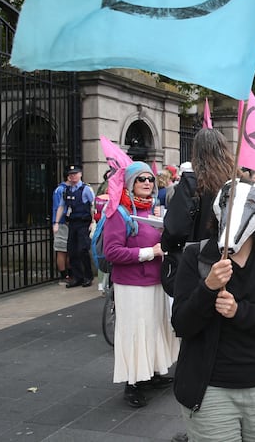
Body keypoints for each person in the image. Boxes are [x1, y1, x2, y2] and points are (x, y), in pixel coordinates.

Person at [172, 179, 255, 441]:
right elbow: (181, 324)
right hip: (210, 390)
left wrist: (240, 312)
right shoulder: (196, 257)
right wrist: (208, 288)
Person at [104, 161, 179, 408]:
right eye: (141, 179)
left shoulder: (153, 210)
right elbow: (112, 252)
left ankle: (152, 373)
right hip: (131, 285)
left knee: (154, 328)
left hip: (156, 281)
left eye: (150, 179)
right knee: (135, 332)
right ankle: (132, 383)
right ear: (130, 183)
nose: (147, 183)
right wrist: (149, 252)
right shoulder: (118, 213)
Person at [162, 129, 235, 282]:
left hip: (198, 264)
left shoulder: (192, 182)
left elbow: (175, 228)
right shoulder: (237, 181)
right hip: (231, 262)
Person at [53, 164, 96, 288]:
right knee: (72, 251)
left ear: (80, 174)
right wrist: (56, 223)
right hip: (72, 223)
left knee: (82, 250)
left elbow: (93, 205)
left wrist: (93, 221)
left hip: (84, 223)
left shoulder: (86, 189)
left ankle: (88, 277)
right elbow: (61, 206)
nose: (73, 176)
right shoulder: (66, 190)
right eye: (71, 174)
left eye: (75, 174)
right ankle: (78, 277)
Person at [51, 171, 70, 282]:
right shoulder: (61, 190)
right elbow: (60, 207)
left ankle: (68, 273)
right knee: (62, 249)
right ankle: (64, 275)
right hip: (63, 222)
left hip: (67, 222)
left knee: (67, 249)